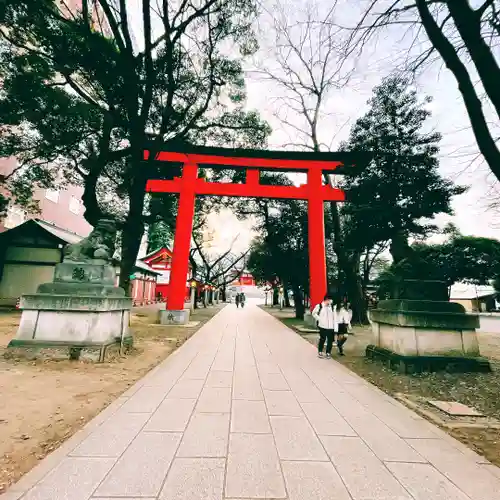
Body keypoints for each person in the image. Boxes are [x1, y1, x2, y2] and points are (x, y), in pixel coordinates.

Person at [312, 294, 336, 359]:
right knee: (322, 339)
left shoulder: (332, 307)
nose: (331, 301)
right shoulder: (320, 306)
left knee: (330, 340)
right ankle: (320, 351)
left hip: (331, 326)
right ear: (327, 299)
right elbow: (314, 313)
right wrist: (319, 319)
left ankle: (328, 352)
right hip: (322, 326)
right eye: (330, 300)